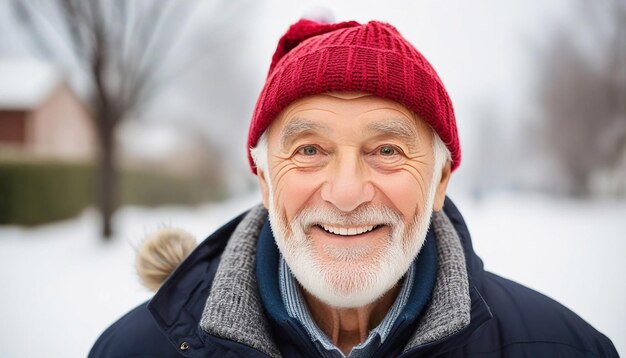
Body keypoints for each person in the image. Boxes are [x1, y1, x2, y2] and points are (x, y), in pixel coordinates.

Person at [89, 19, 618, 358]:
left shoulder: (563, 349)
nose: (346, 193)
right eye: (309, 150)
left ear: (438, 182)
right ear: (266, 183)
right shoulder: (134, 351)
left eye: (386, 150)